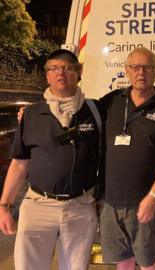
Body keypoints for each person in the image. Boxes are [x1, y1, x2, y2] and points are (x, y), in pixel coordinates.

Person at [0, 49, 99, 270]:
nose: (60, 73)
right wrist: (4, 205)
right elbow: (19, 164)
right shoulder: (32, 115)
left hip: (80, 207)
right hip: (38, 206)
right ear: (46, 75)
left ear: (79, 72)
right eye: (54, 68)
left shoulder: (95, 111)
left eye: (67, 68)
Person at [99, 47, 155, 270]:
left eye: (147, 67)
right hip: (110, 200)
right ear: (126, 71)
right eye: (135, 67)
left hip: (145, 200)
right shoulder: (110, 102)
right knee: (123, 260)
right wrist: (34, 112)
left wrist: (153, 196)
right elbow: (77, 115)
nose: (141, 72)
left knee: (147, 261)